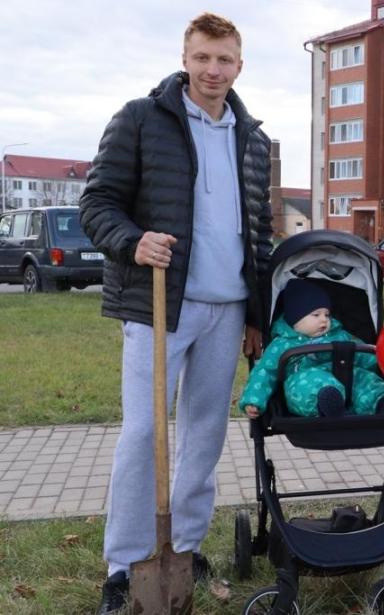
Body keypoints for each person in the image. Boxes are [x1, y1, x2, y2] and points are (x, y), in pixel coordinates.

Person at [79, 12, 273, 615]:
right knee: (143, 434)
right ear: (185, 59)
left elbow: (258, 232)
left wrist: (257, 314)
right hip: (159, 302)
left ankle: (183, 548)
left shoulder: (253, 138)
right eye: (203, 58)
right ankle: (126, 564)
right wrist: (133, 240)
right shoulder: (140, 119)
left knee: (204, 435)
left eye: (225, 59)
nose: (213, 70)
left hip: (228, 306)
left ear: (239, 65)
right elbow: (97, 202)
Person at [239, 278, 384, 418]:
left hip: (346, 376)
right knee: (312, 384)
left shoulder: (339, 334)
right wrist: (253, 400)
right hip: (306, 380)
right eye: (316, 315)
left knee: (364, 379)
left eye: (327, 315)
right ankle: (328, 407)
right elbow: (264, 372)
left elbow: (364, 355)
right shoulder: (282, 344)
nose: (324, 320)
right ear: (294, 320)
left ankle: (383, 402)